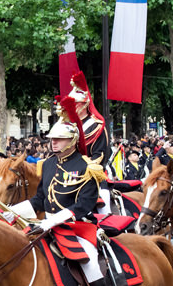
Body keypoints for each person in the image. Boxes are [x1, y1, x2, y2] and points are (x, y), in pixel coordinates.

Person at [9, 96, 107, 286]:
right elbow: (39, 199)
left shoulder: (87, 167)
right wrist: (12, 212)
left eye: (60, 139)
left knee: (91, 264)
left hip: (78, 226)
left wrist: (55, 219)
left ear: (72, 140)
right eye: (52, 139)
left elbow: (84, 205)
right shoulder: (47, 164)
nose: (54, 143)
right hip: (47, 224)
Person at [68, 71, 109, 167]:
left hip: (87, 172)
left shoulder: (95, 126)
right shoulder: (67, 124)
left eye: (75, 104)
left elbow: (98, 156)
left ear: (84, 104)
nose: (71, 107)